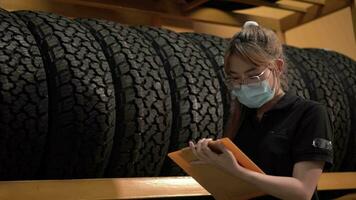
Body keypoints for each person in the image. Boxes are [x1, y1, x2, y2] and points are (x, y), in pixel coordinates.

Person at [189, 21, 333, 200]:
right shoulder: (242, 117)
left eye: (253, 76)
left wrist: (236, 171)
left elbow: (302, 191)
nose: (244, 84)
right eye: (235, 78)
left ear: (277, 67)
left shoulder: (310, 113)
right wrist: (211, 159)